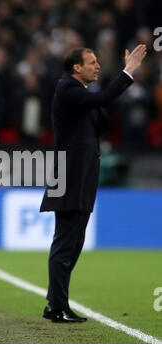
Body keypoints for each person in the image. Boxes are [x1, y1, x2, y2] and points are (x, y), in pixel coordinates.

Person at [40, 45, 147, 323]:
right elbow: (107, 97)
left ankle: (55, 303)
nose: (98, 66)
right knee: (65, 243)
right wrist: (129, 70)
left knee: (74, 242)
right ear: (77, 68)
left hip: (83, 176)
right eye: (92, 62)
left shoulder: (83, 96)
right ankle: (58, 307)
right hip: (69, 176)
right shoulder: (67, 88)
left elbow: (103, 111)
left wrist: (106, 100)